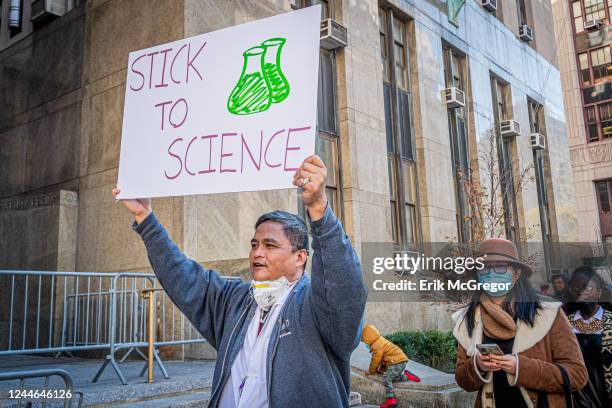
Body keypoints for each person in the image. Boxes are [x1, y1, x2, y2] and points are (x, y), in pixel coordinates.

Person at [113, 154, 368, 408]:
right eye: (254, 244)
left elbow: (344, 286)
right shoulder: (235, 301)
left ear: (300, 256)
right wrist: (145, 218)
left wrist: (319, 210)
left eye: (270, 245)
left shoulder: (317, 308)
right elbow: (184, 277)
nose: (257, 252)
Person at [453, 238, 587, 408]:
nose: (491, 273)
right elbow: (462, 380)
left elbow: (577, 375)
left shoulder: (548, 313)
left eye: (501, 267)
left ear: (516, 274)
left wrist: (521, 368)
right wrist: (477, 366)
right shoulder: (468, 319)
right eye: (484, 267)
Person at [565, 266, 612, 408]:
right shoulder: (564, 323)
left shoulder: (610, 321)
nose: (580, 292)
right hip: (575, 396)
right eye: (575, 287)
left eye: (586, 287)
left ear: (599, 292)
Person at [361, 324, 420, 408]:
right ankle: (407, 376)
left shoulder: (376, 346)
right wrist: (381, 370)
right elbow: (384, 359)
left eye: (364, 340)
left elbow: (376, 360)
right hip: (398, 360)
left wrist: (371, 371)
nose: (365, 342)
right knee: (391, 377)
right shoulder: (380, 341)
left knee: (387, 378)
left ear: (369, 337)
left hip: (396, 362)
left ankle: (390, 399)